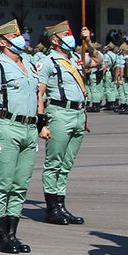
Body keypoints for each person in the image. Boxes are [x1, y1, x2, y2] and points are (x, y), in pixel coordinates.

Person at [0, 21, 42, 254]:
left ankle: (13, 233)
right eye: (15, 36)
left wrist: (38, 127)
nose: (21, 39)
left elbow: (37, 96)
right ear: (2, 41)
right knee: (4, 183)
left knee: (20, 184)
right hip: (9, 126)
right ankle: (1, 236)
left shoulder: (28, 63)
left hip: (29, 128)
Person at [34, 22, 94, 225]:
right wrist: (41, 123)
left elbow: (98, 60)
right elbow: (39, 93)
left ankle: (61, 205)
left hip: (78, 113)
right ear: (54, 40)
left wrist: (89, 42)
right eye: (65, 35)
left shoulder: (76, 58)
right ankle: (52, 208)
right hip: (59, 112)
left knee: (67, 163)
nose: (71, 37)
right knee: (54, 162)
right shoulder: (48, 61)